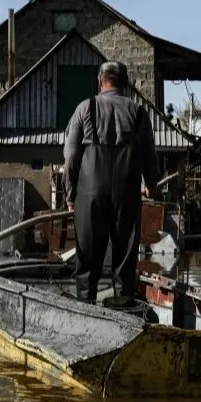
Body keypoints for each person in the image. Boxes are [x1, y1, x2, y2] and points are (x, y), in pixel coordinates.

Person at [63, 61, 160, 303]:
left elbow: (71, 156)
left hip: (90, 192)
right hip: (126, 192)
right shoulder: (138, 113)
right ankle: (124, 309)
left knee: (87, 258)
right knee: (125, 258)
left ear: (99, 81)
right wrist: (151, 183)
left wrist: (69, 194)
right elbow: (149, 154)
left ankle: (85, 308)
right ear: (125, 84)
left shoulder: (85, 108)